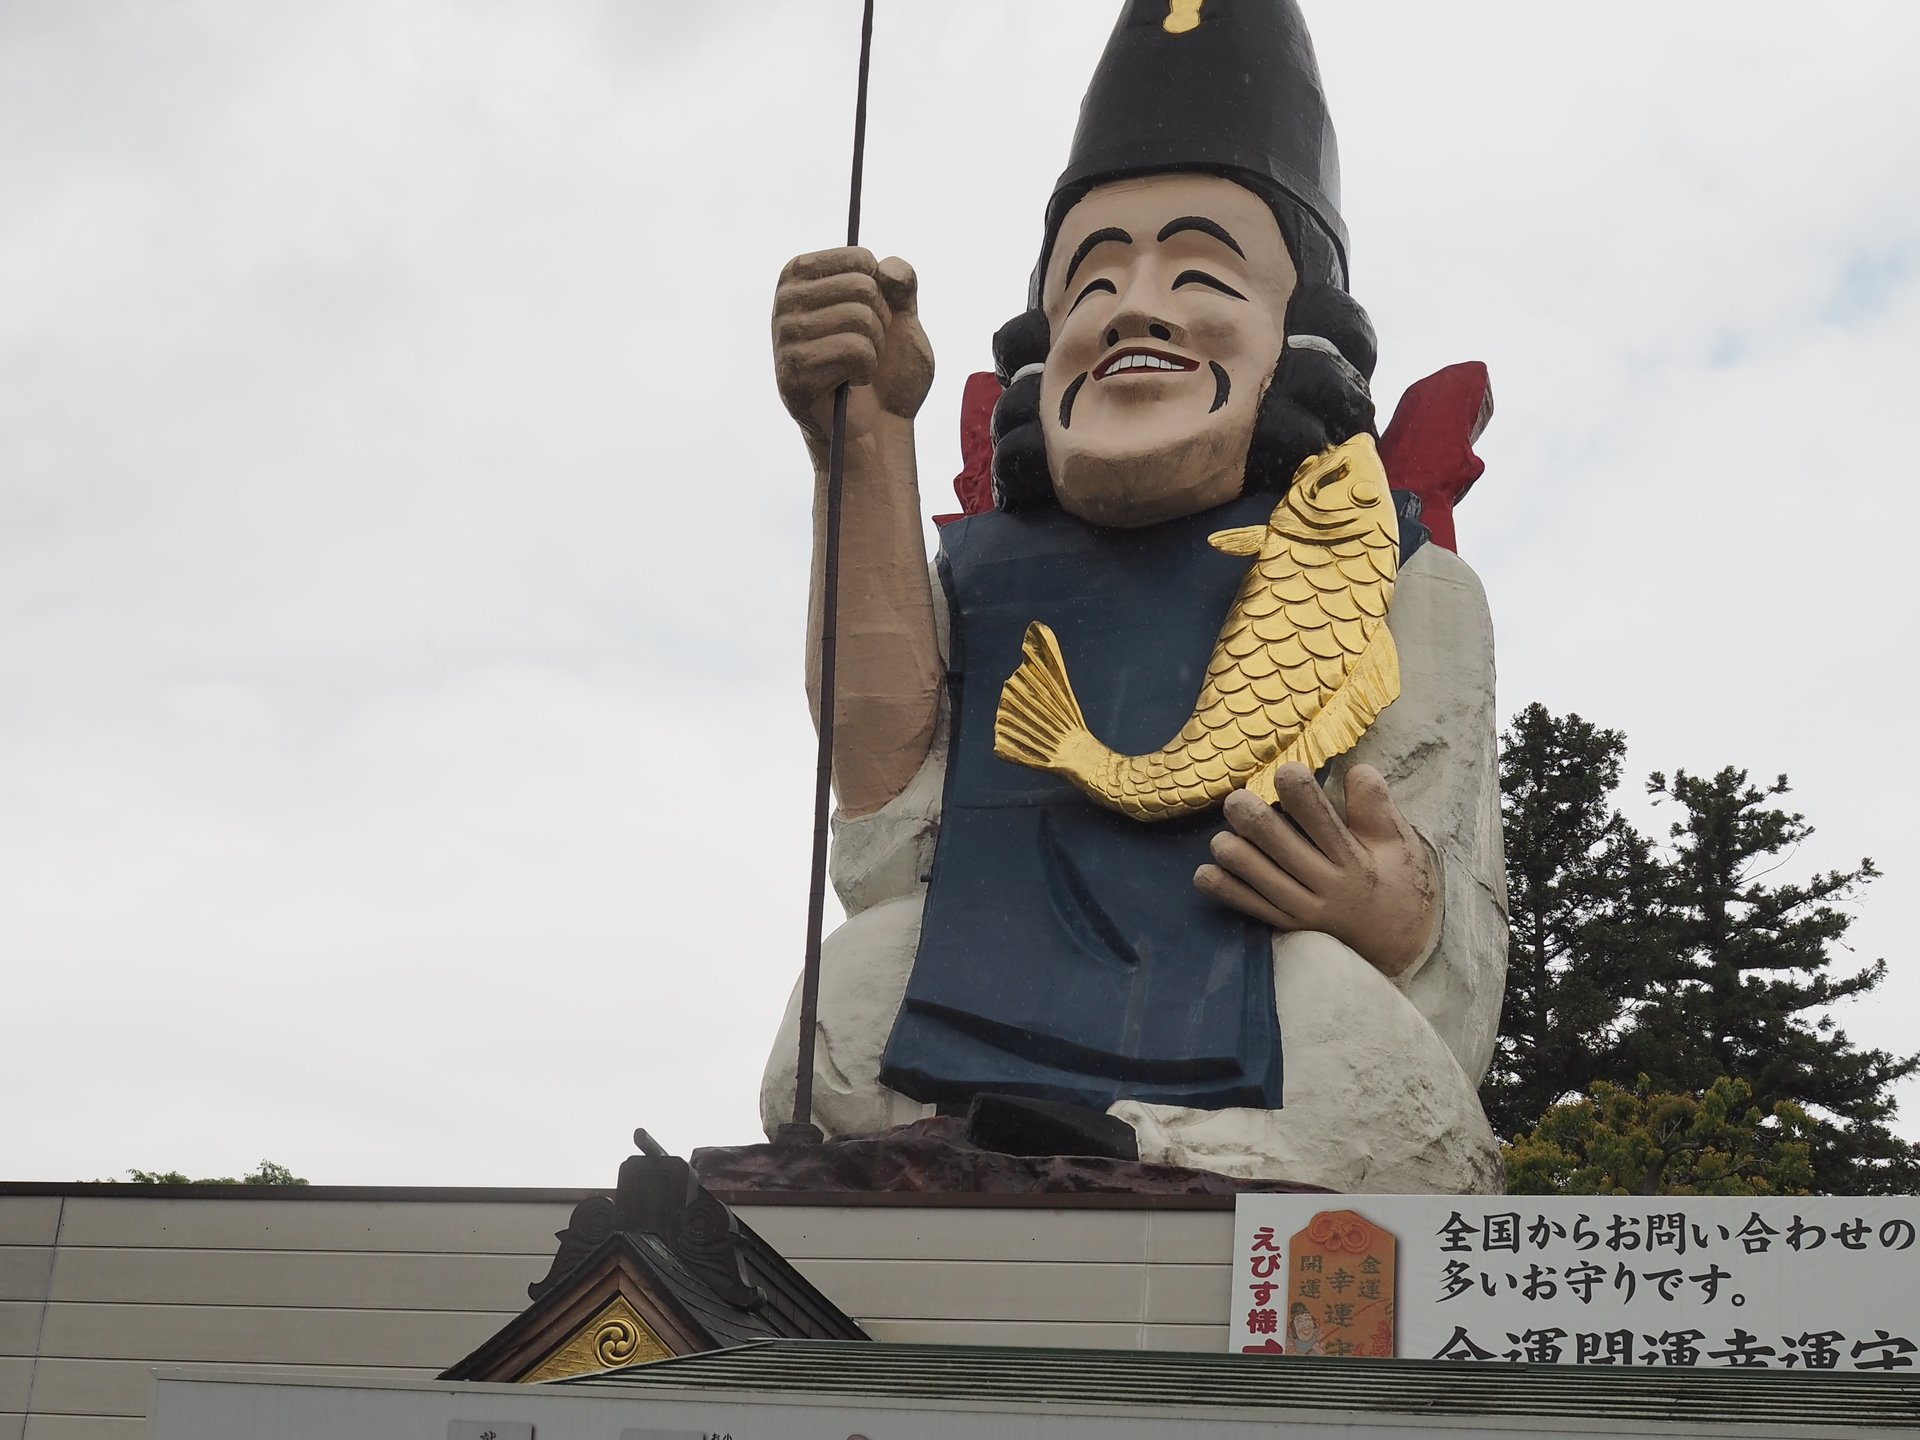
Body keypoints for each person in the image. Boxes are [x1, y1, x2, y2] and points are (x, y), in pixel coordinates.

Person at [762, 0, 1506, 1193]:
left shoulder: (1405, 574)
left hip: (1246, 989)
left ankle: (1152, 1145)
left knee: (1352, 1037)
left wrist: (1383, 903)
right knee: (843, 1003)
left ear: (1296, 341)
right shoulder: (981, 571)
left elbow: (1448, 896)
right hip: (993, 961)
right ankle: (1016, 1138)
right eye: (1091, 281)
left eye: (1201, 271)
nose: (1133, 310)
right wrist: (861, 436)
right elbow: (886, 831)